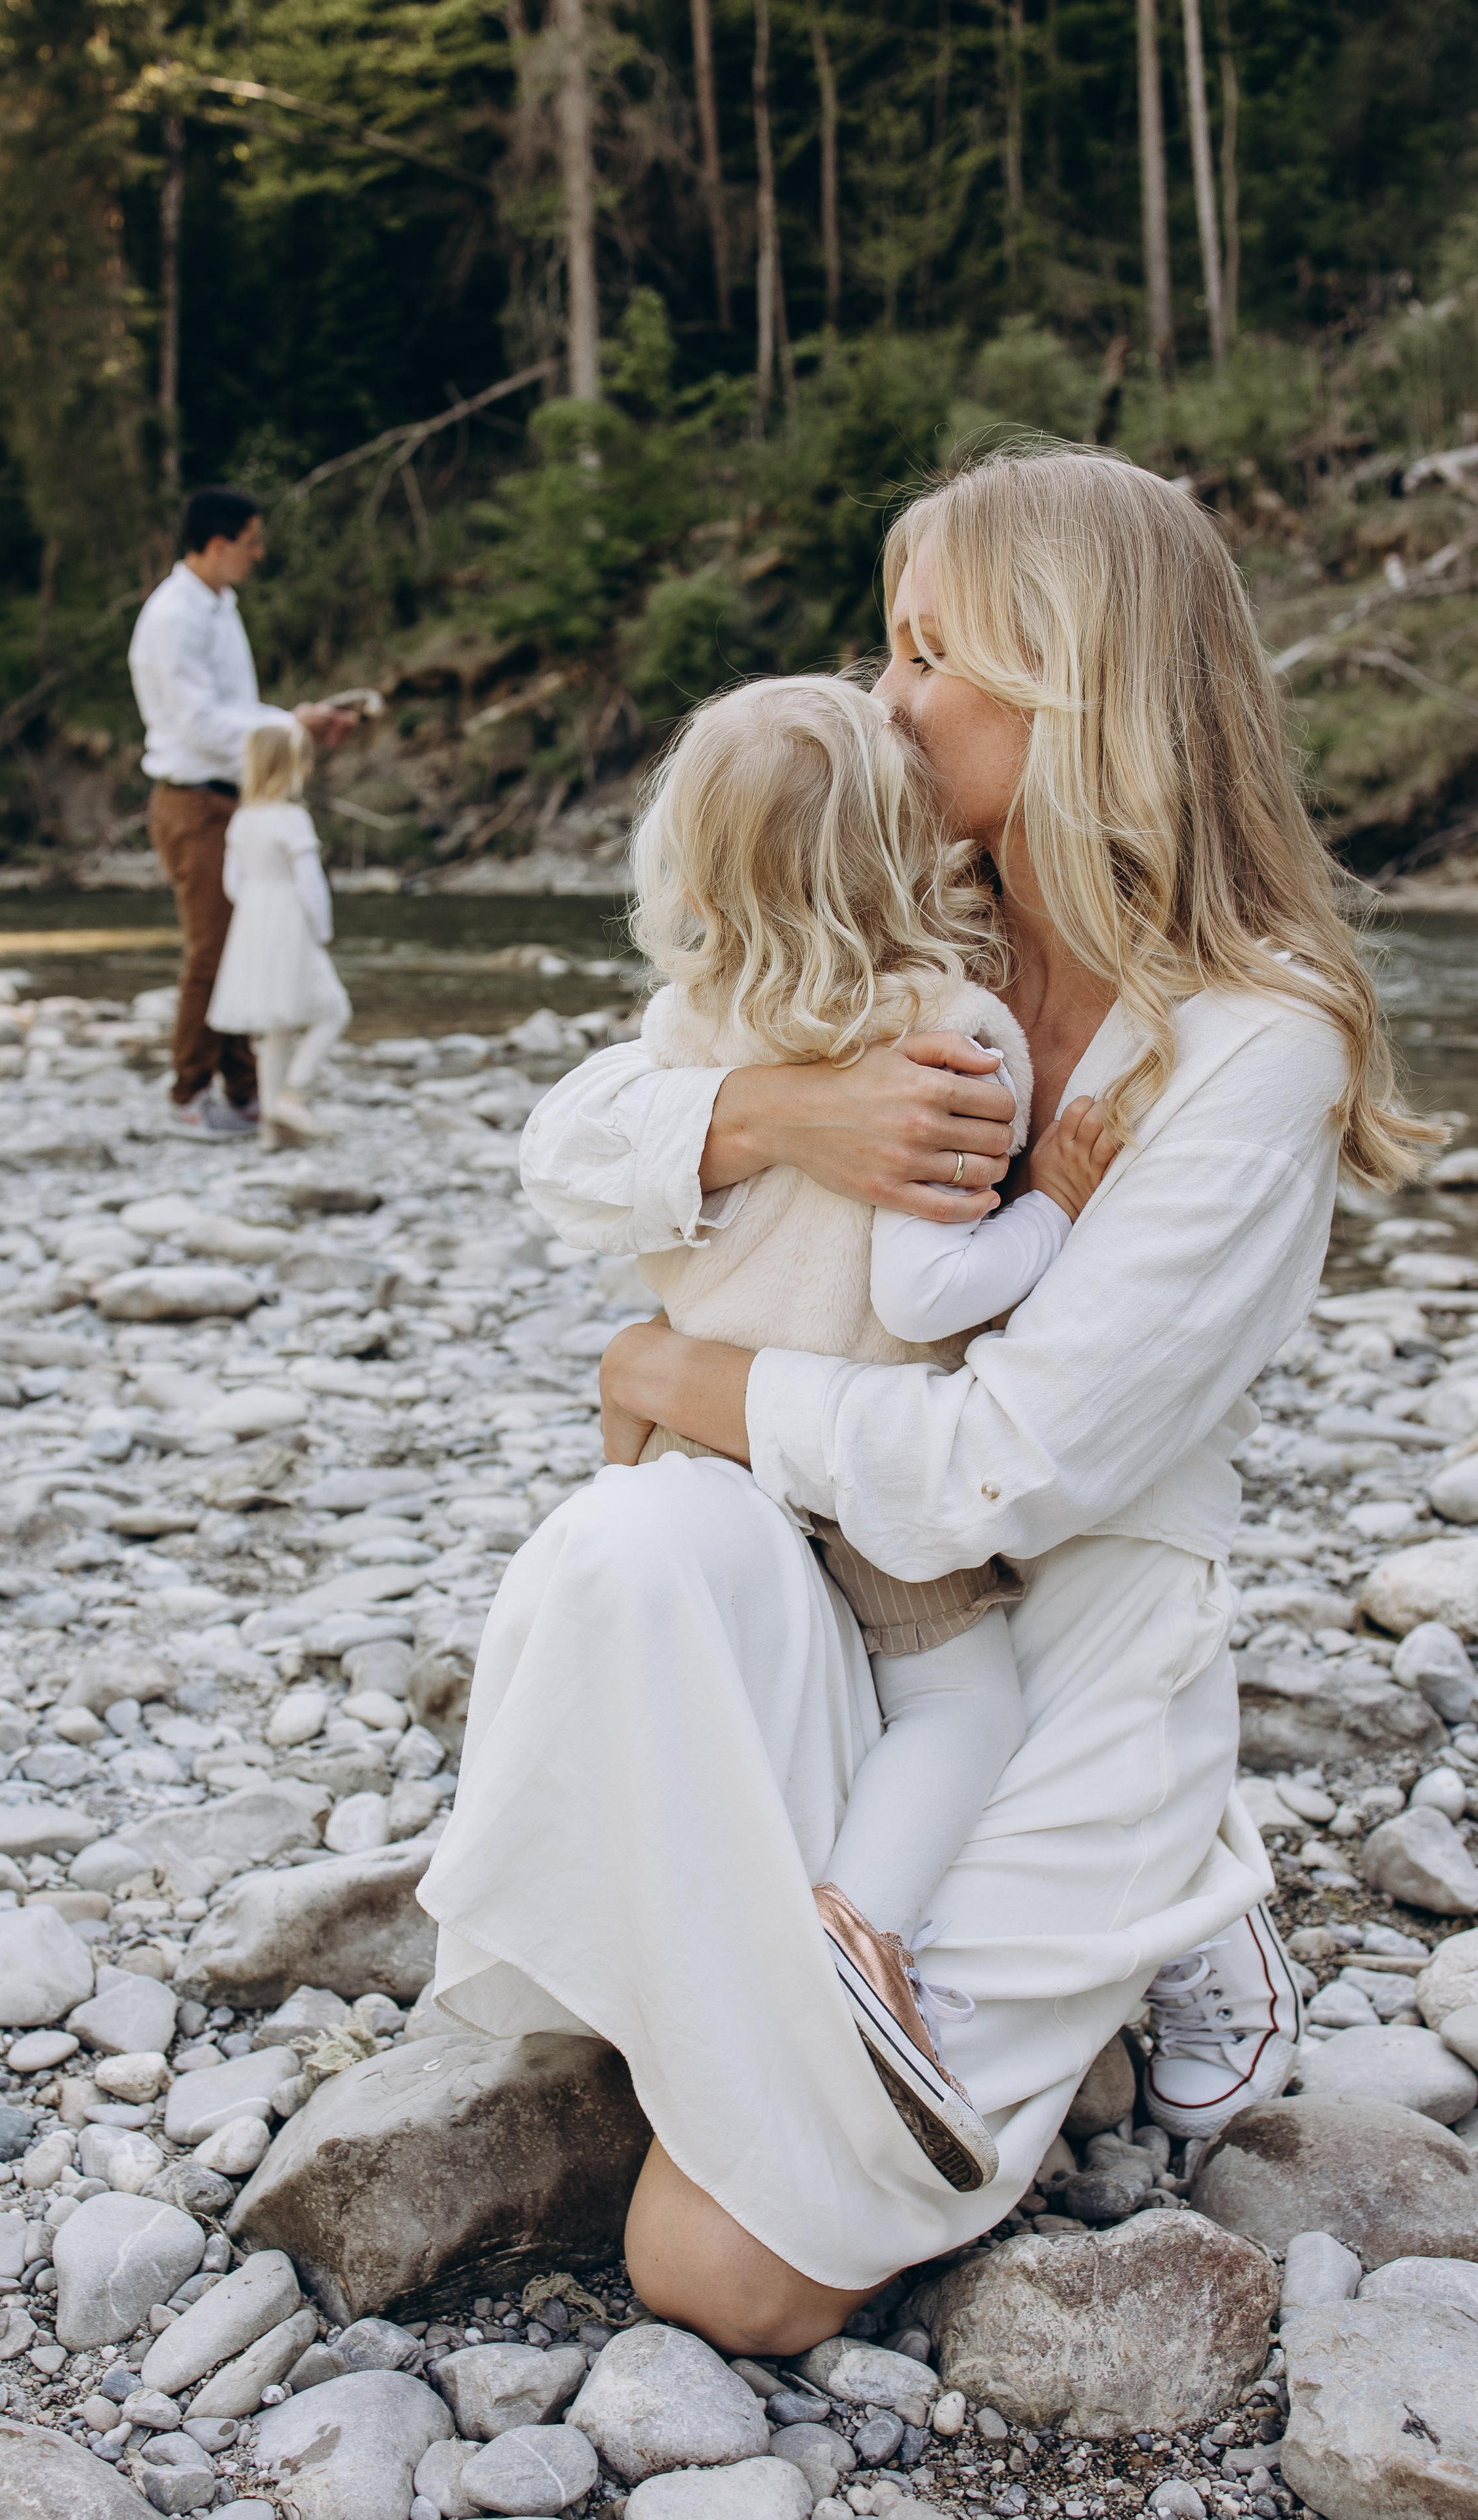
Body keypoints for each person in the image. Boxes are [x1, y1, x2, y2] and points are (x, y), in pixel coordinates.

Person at [418, 444, 1435, 2356]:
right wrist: (775, 1112)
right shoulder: (901, 900)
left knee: (712, 2272)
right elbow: (564, 1147)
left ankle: (1168, 1875)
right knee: (625, 1547)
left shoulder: (1248, 1042)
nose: (882, 701)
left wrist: (684, 1369)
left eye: (923, 654)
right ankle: (844, 1934)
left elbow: (1003, 1467)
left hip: (1046, 1635)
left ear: (1073, 684)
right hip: (828, 1572)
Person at [623, 671, 1119, 2193]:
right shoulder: (946, 1027)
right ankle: (857, 1930)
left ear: (695, 870)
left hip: (694, 1444)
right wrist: (1053, 1202)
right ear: (906, 846)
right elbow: (927, 1285)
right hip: (842, 1456)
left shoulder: (688, 1024)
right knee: (963, 1708)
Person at [128, 485, 354, 1137]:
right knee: (213, 950)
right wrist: (291, 723)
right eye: (252, 542)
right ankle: (188, 1095)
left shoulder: (219, 605)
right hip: (193, 801)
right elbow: (202, 728)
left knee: (242, 946)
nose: (260, 555)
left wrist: (302, 729)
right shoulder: (174, 616)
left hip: (233, 798)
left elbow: (233, 717)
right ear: (219, 543)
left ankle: (248, 1090)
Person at [207, 722, 352, 1149]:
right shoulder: (292, 819)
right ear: (291, 767)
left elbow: (232, 883)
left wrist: (256, 907)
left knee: (277, 1025)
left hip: (253, 923)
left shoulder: (243, 820)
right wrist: (322, 930)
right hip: (291, 922)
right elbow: (311, 885)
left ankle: (273, 1122)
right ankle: (295, 1090)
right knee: (333, 1012)